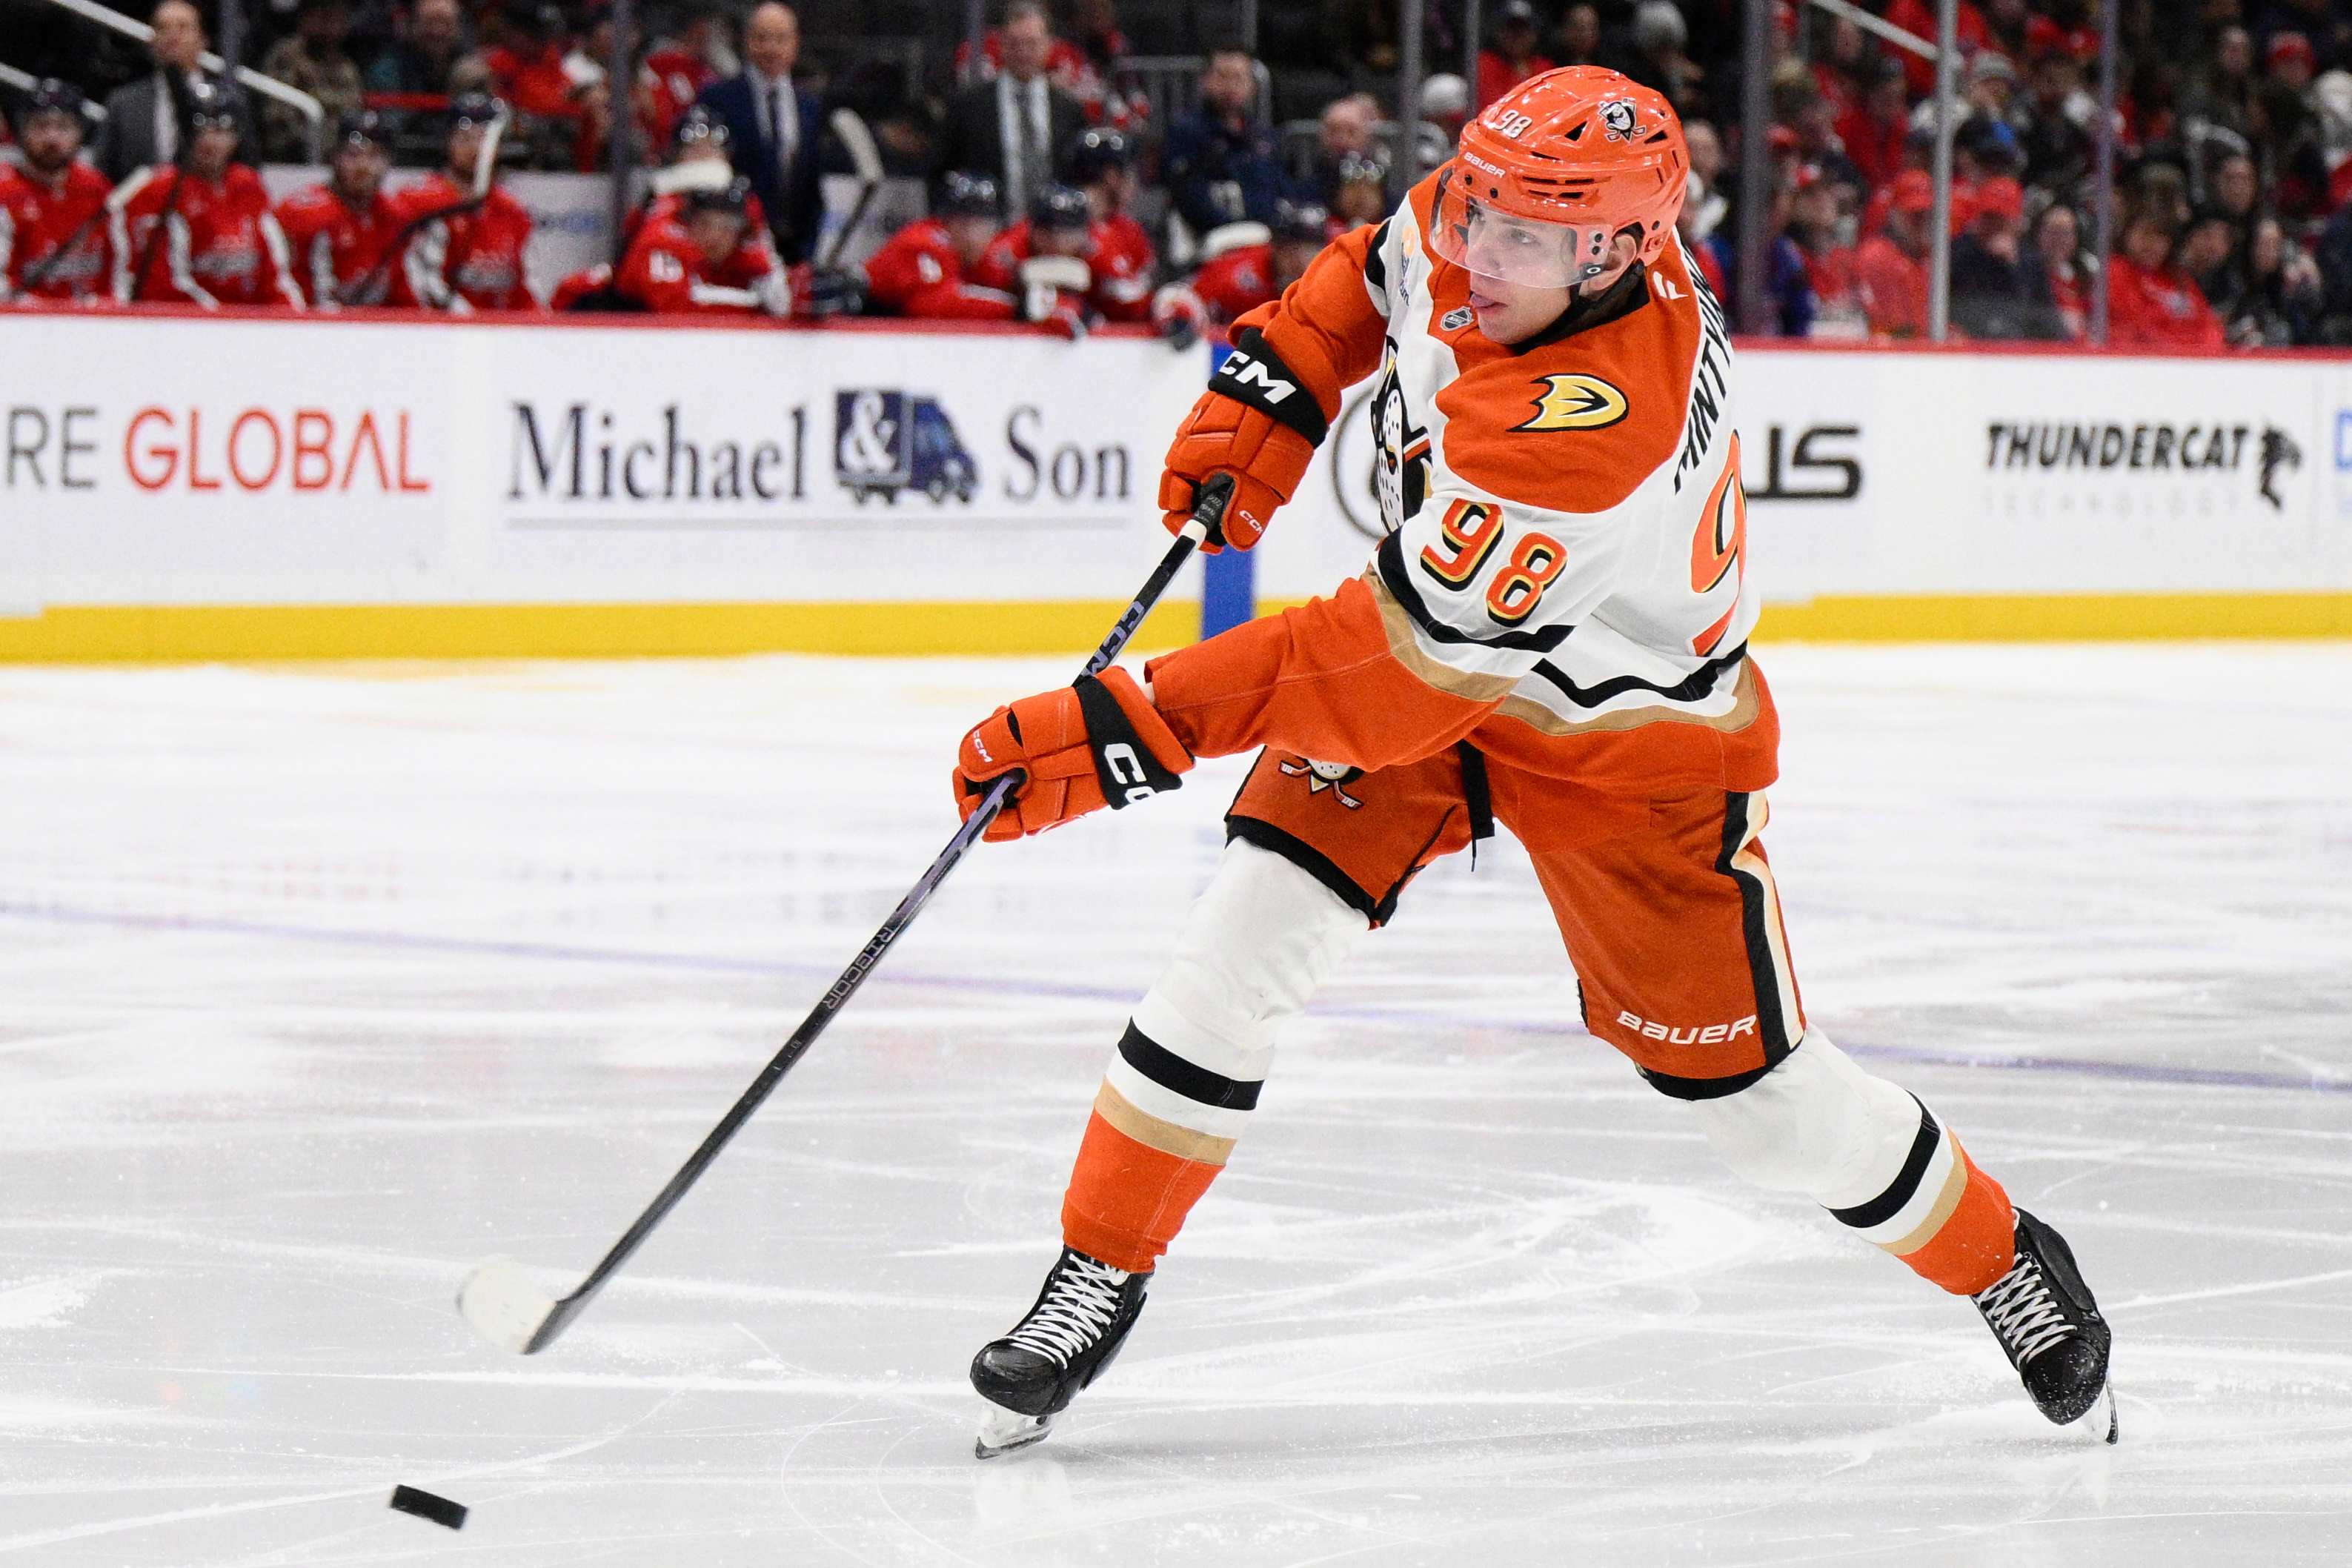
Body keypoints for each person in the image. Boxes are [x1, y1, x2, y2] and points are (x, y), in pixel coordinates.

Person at [947, 65, 2116, 1462]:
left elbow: (1378, 676)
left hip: (1626, 742)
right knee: (1233, 949)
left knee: (1761, 1114)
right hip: (1442, 682)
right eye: (1477, 210)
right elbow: (1370, 273)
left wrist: (1142, 723)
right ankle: (1097, 1268)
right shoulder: (1514, 218)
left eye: (1516, 236)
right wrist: (1285, 369)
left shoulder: (1591, 427)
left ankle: (1998, 1259)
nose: (1473, 251)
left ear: (1619, 250)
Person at [112, 81, 302, 309]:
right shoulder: (159, 190)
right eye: (200, 130)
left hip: (242, 324)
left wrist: (291, 317)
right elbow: (164, 286)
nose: (209, 141)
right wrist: (225, 322)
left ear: (237, 138)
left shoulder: (247, 184)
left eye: (220, 131)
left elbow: (274, 274)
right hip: (180, 327)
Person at [696, 2, 826, 262]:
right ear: (747, 42)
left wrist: (807, 249)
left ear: (795, 44)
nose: (771, 49)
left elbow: (812, 183)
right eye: (761, 38)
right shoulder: (718, 98)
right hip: (735, 251)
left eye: (780, 39)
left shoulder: (809, 107)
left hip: (794, 251)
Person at [935, 1, 1089, 219]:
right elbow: (941, 174)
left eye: (1032, 44)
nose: (1023, 53)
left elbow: (1079, 177)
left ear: (1049, 46)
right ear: (1001, 45)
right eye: (1015, 44)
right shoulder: (968, 107)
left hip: (1054, 236)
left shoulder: (1069, 110)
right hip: (986, 235)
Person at [391, 94, 536, 311]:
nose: (476, 149)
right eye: (466, 138)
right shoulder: (419, 202)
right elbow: (421, 287)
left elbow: (526, 288)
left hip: (499, 333)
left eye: (485, 140)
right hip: (438, 331)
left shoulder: (511, 210)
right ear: (448, 141)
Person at [93, 1, 255, 183]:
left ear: (203, 40)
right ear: (152, 42)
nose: (173, 36)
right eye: (163, 28)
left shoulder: (230, 103)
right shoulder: (123, 103)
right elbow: (102, 175)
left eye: (183, 27)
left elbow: (249, 171)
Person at [0, 79, 115, 304]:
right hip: (24, 327)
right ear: (23, 131)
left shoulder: (96, 190)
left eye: (63, 127)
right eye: (41, 126)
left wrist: (107, 309)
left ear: (79, 133)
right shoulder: (6, 194)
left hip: (94, 325)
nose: (52, 138)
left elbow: (118, 273)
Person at [273, 111, 402, 308]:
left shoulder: (394, 214)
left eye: (374, 155)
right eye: (353, 155)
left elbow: (404, 293)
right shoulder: (305, 213)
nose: (363, 165)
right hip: (311, 329)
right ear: (336, 157)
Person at [611, 176, 788, 315]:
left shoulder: (749, 254)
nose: (714, 236)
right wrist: (755, 303)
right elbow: (675, 307)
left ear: (740, 233)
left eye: (726, 228)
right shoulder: (662, 244)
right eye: (704, 224)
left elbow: (783, 304)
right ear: (688, 225)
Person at [1162, 47, 1289, 236]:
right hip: (1209, 238)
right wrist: (1237, 228)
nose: (1231, 85)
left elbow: (1279, 190)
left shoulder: (1263, 138)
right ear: (1205, 81)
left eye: (1239, 78)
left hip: (1265, 235)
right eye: (1222, 76)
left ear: (1251, 86)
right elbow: (1189, 197)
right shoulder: (1187, 133)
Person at [860, 169, 1015, 319]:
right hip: (856, 322)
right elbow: (931, 306)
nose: (974, 234)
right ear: (947, 221)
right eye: (965, 221)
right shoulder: (924, 241)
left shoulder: (991, 254)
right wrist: (1016, 308)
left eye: (985, 223)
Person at [972, 182, 1103, 337]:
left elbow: (1129, 304)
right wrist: (1020, 287)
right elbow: (986, 287)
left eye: (1069, 230)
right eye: (1048, 230)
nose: (1057, 240)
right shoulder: (1008, 249)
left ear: (1085, 232)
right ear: (1032, 228)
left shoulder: (1099, 249)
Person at [2106, 204, 2225, 351]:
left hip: (2191, 362)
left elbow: (2208, 325)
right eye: (2146, 234)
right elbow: (2134, 325)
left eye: (2161, 238)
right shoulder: (2115, 272)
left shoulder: (2178, 278)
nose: (2152, 244)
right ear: (2128, 234)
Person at [259, 0, 365, 162]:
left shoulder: (345, 65)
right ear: (305, 19)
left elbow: (354, 109)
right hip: (293, 157)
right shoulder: (287, 57)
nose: (330, 25)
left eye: (337, 19)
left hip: (340, 156)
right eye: (323, 17)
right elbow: (279, 118)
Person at [1068, 127, 1155, 321]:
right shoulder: (1059, 224)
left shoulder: (1130, 230)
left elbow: (1141, 299)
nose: (1134, 182)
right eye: (1131, 172)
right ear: (1111, 176)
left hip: (1124, 338)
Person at [1851, 167, 1933, 337]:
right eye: (1915, 215)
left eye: (1928, 214)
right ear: (1894, 213)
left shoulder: (1937, 259)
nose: (1922, 222)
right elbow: (1883, 328)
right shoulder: (1876, 256)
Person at [365, 0, 476, 98]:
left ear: (459, 29)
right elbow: (390, 115)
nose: (438, 32)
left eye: (446, 24)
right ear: (413, 27)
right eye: (429, 24)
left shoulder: (469, 62)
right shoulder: (388, 70)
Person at [1476, 0, 1555, 113]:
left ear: (1535, 34)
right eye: (1511, 29)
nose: (1517, 37)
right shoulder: (1486, 64)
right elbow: (1490, 108)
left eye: (1523, 30)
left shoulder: (1545, 68)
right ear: (1499, 32)